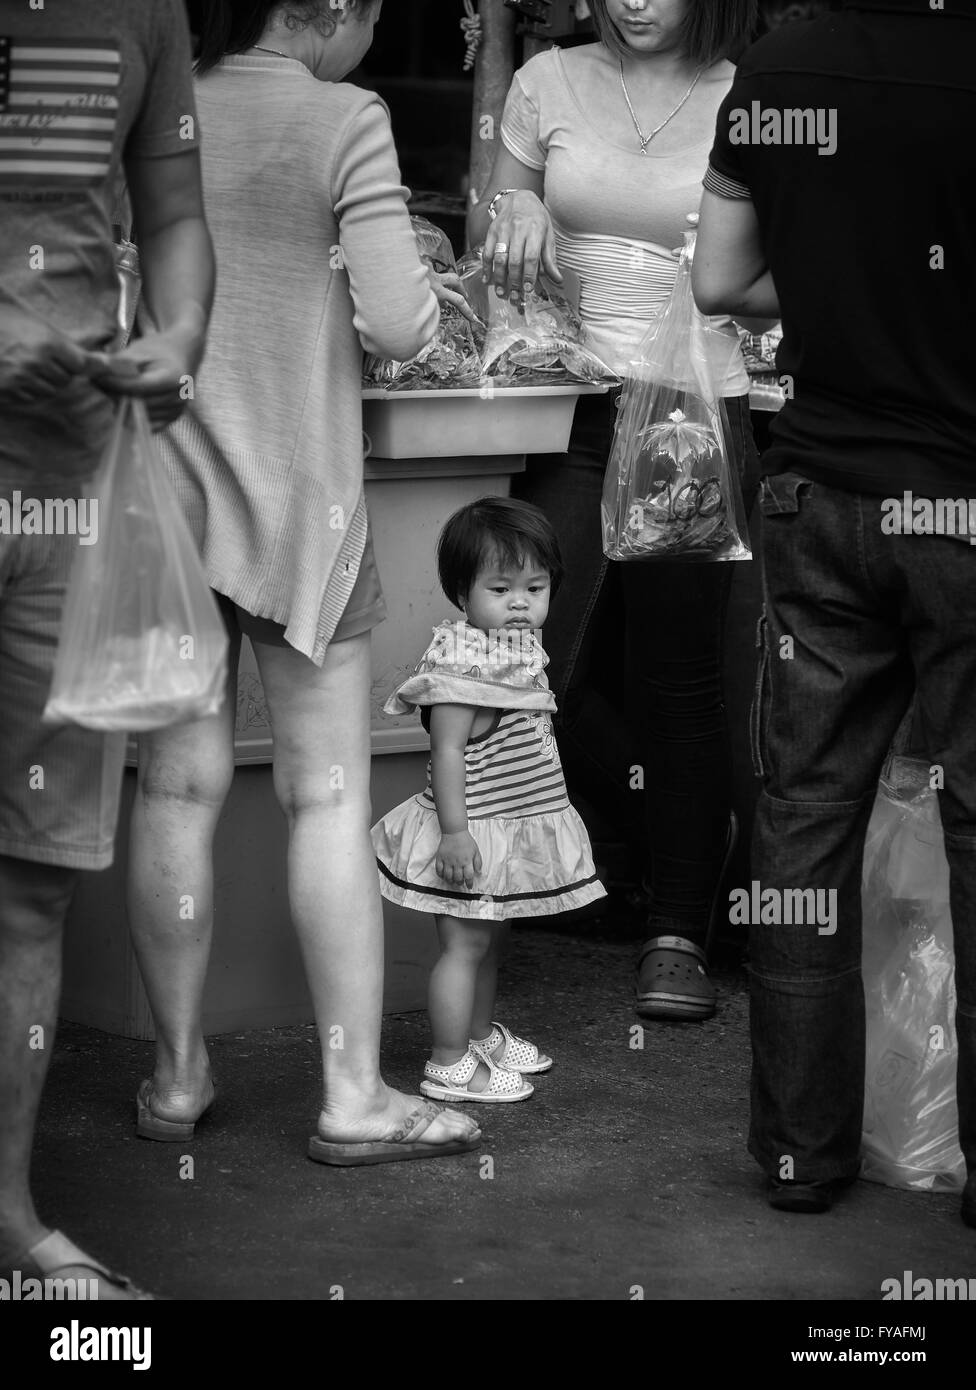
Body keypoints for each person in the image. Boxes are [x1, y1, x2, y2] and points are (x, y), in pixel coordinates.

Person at [127, 0, 481, 1167]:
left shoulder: (159, 99)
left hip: (163, 504)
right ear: (328, 8)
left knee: (175, 789)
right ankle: (350, 1095)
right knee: (326, 794)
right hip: (304, 504)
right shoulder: (345, 119)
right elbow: (396, 322)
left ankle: (176, 1078)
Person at [693, 0, 976, 1221]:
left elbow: (716, 277)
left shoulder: (777, 63)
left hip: (817, 488)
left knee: (804, 820)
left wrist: (823, 289)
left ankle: (803, 1153)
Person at [468, 0, 762, 1023]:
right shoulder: (547, 80)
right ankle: (501, 895)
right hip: (567, 403)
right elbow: (486, 253)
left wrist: (707, 290)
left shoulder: (747, 90)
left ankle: (676, 930)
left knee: (679, 676)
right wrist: (516, 223)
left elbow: (789, 272)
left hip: (695, 416)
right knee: (525, 652)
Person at [0, 0, 215, 1298]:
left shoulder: (144, 8)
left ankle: (9, 1225)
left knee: (28, 879)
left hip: (65, 494)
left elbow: (175, 209)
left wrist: (178, 341)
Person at [372, 498, 607, 1101]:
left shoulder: (516, 656)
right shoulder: (462, 668)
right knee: (464, 943)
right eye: (501, 588)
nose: (521, 602)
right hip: (472, 834)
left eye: (536, 586)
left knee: (491, 939)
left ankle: (476, 1036)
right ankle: (448, 1063)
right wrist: (455, 833)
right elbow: (447, 753)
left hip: (509, 827)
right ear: (462, 594)